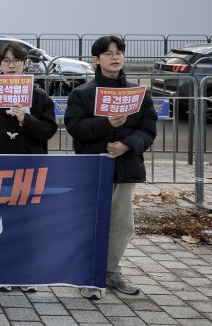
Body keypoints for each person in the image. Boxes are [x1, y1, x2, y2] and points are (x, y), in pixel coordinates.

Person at [64, 36, 157, 300]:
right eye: (108, 53)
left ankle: (110, 270)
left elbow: (148, 130)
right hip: (93, 167)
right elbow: (75, 127)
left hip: (126, 168)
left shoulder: (139, 93)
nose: (115, 57)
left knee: (122, 223)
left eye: (119, 52)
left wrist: (127, 145)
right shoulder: (82, 94)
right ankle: (88, 274)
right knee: (91, 222)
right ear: (96, 59)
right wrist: (107, 125)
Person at [0, 41, 57, 293]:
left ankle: (27, 272)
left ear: (25, 64)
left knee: (28, 221)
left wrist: (25, 119)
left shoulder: (39, 97)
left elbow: (49, 130)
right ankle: (1, 271)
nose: (11, 66)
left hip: (30, 165)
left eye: (16, 61)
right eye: (6, 61)